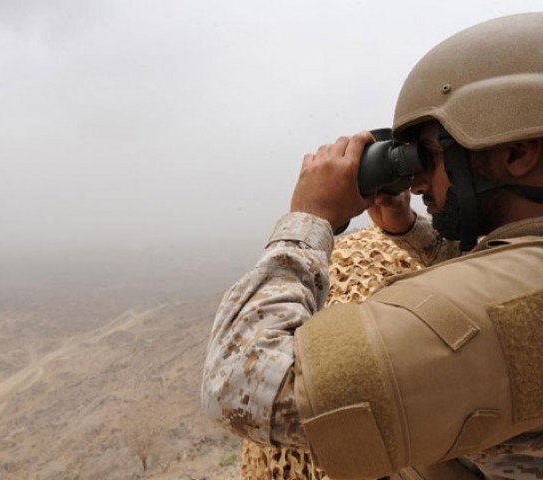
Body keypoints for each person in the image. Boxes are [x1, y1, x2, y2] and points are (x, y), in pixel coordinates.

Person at [202, 13, 543, 480]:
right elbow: (501, 270)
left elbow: (241, 383)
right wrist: (408, 229)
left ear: (517, 153)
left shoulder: (514, 309)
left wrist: (309, 218)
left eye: (428, 152)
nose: (418, 178)